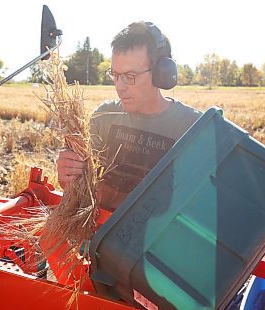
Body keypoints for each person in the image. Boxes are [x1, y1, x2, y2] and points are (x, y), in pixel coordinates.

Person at [57, 21, 202, 212]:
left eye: (130, 76)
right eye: (115, 75)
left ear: (161, 73)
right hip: (102, 233)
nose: (120, 86)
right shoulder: (105, 117)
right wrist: (67, 174)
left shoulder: (194, 127)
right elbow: (79, 192)